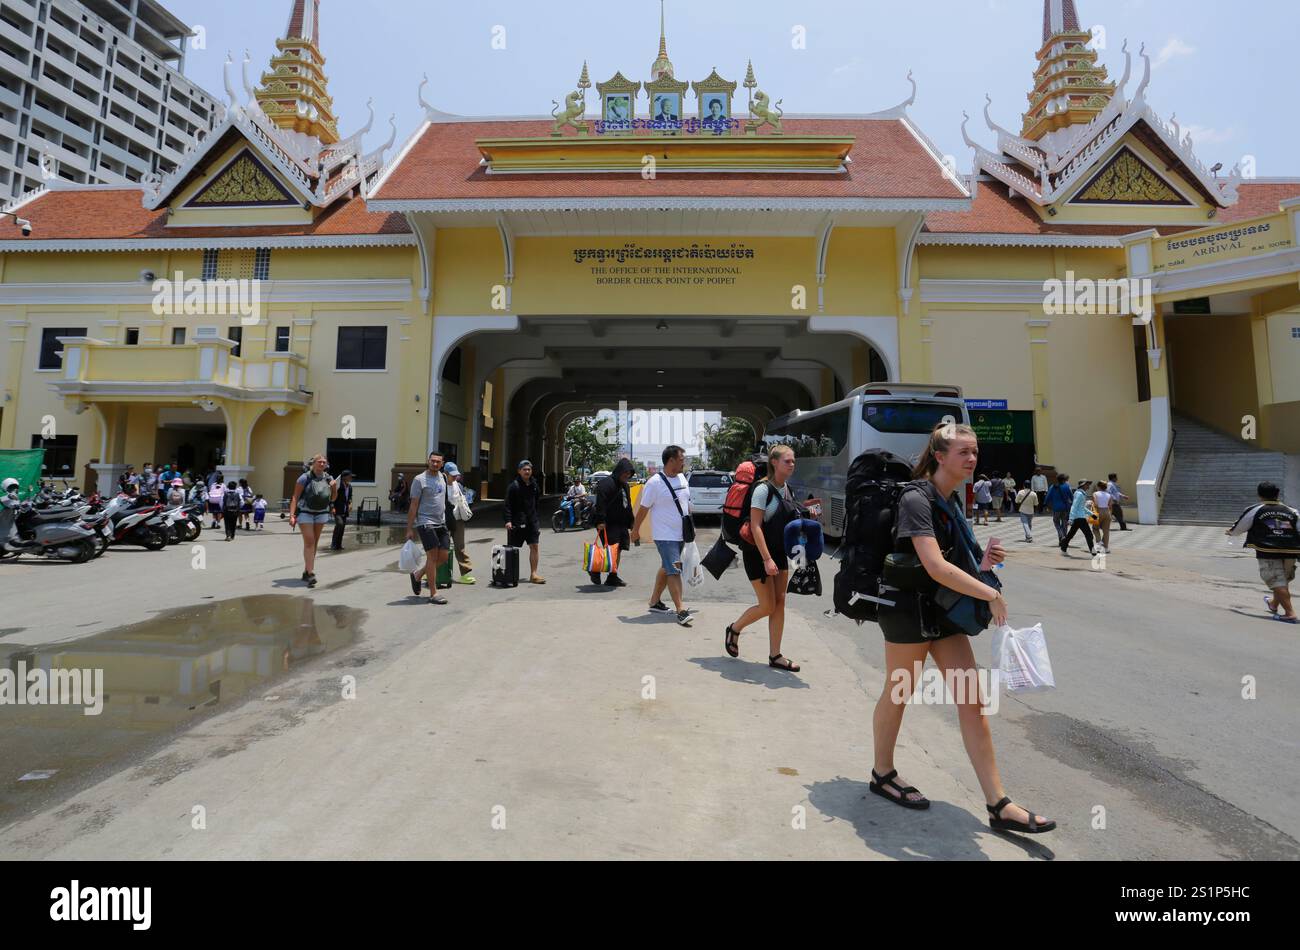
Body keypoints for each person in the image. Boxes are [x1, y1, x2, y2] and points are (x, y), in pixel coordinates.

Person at [870, 421, 1054, 834]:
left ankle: (998, 803)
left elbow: (952, 563)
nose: (972, 459)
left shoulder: (951, 499)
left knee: (972, 701)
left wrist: (983, 563)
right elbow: (934, 566)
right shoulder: (916, 498)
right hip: (907, 611)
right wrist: (991, 594)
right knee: (899, 692)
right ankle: (883, 773)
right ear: (939, 456)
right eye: (963, 453)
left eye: (975, 453)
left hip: (943, 611)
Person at [724, 443, 802, 671]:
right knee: (767, 605)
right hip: (757, 553)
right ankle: (735, 628)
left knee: (780, 604)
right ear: (774, 463)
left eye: (793, 461)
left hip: (779, 552)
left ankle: (775, 655)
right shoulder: (762, 489)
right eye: (788, 460)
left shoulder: (788, 489)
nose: (792, 464)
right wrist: (767, 559)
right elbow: (756, 526)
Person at [630, 445, 694, 627]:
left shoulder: (682, 478)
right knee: (674, 568)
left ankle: (654, 601)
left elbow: (685, 502)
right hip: (665, 535)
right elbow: (643, 510)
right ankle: (681, 610)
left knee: (667, 567)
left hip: (682, 532)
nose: (684, 462)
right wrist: (635, 531)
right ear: (671, 460)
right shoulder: (654, 483)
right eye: (682, 459)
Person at [1227, 482, 1300, 624]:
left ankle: (1289, 613)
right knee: (1282, 580)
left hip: (1268, 550)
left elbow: (1240, 526)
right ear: (1278, 493)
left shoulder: (1255, 509)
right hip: (1291, 550)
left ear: (1259, 495)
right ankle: (1273, 604)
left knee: (1276, 581)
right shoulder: (1292, 511)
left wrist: (1231, 532)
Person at [407, 451, 453, 604]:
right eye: (432, 461)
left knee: (444, 557)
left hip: (441, 522)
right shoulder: (419, 480)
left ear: (442, 463)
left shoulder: (443, 477)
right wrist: (409, 528)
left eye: (438, 461)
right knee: (432, 557)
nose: (435, 464)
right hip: (426, 523)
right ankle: (433, 593)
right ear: (428, 461)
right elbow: (413, 505)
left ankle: (418, 575)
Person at [290, 454, 336, 588]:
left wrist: (334, 488)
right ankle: (310, 574)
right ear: (313, 463)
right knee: (309, 541)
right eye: (319, 462)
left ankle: (306, 570)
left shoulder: (328, 478)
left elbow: (333, 499)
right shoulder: (304, 477)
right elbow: (295, 496)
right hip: (305, 513)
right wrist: (292, 515)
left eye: (324, 462)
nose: (322, 464)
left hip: (321, 513)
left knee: (314, 542)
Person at [590, 459, 635, 588]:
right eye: (625, 472)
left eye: (629, 473)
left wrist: (631, 521)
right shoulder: (606, 484)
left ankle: (612, 576)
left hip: (621, 523)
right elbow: (601, 504)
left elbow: (628, 504)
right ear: (619, 471)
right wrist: (600, 521)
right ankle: (595, 569)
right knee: (611, 550)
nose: (627, 475)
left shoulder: (625, 485)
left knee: (618, 549)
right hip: (608, 523)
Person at [504, 459, 545, 584]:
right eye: (524, 469)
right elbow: (507, 505)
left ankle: (533, 574)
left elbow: (536, 502)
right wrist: (508, 521)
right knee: (512, 549)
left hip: (532, 522)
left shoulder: (534, 485)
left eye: (529, 469)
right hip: (517, 522)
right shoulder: (514, 486)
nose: (527, 471)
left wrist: (535, 517)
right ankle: (509, 574)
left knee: (534, 546)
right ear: (519, 471)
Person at [443, 462, 476, 584]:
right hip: (443, 520)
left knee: (460, 547)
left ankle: (465, 573)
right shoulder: (440, 485)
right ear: (445, 474)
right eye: (452, 475)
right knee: (440, 548)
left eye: (456, 475)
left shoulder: (459, 486)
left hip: (458, 520)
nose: (455, 477)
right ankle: (431, 571)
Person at [1060, 479, 1097, 556]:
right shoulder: (1079, 494)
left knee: (1071, 534)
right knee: (1088, 534)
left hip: (1079, 517)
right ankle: (1092, 550)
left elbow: (1081, 507)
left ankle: (1063, 547)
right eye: (1087, 484)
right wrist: (1071, 518)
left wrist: (1091, 514)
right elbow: (1074, 506)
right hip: (1079, 518)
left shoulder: (1081, 493)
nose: (1088, 486)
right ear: (1082, 485)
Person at [329, 469, 353, 551]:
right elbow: (332, 496)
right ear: (345, 477)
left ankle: (339, 545)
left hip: (344, 509)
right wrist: (332, 507)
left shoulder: (349, 487)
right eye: (350, 477)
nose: (351, 478)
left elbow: (349, 497)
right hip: (337, 508)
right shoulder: (338, 486)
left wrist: (350, 504)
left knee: (342, 527)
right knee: (339, 524)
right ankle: (333, 544)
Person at [1046, 473, 1073, 541]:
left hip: (1056, 508)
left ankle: (1061, 535)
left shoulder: (1053, 487)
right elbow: (1072, 497)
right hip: (1065, 508)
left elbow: (1048, 497)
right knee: (1064, 524)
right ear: (1064, 480)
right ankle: (1063, 538)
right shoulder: (1067, 487)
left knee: (1056, 522)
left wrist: (1046, 505)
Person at [1092, 478, 1113, 554]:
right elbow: (1110, 505)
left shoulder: (1095, 494)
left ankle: (1099, 542)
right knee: (1106, 531)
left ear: (1098, 486)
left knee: (1095, 528)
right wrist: (1110, 514)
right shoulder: (1109, 495)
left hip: (1098, 511)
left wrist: (1094, 514)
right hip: (1107, 512)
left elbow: (1096, 504)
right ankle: (1106, 548)